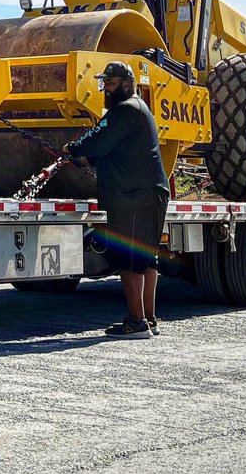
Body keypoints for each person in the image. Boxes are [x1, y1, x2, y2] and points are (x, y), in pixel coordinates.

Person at [64, 60, 170, 340]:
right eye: (103, 83)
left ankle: (136, 323)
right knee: (146, 259)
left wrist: (74, 149)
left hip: (134, 195)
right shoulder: (137, 110)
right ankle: (149, 318)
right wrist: (89, 157)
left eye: (109, 83)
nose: (105, 89)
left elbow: (96, 140)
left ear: (126, 84)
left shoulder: (124, 110)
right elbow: (111, 150)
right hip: (150, 192)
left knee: (129, 259)